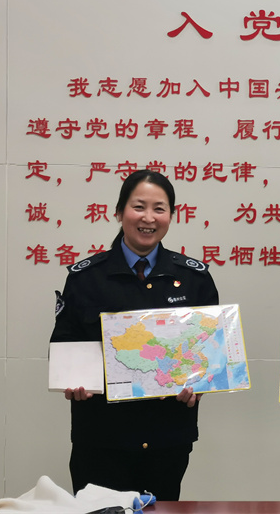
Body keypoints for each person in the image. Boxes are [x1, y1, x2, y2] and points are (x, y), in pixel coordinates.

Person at [50, 169, 218, 500]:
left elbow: (211, 354)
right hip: (101, 439)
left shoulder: (194, 279)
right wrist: (71, 380)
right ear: (119, 212)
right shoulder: (86, 278)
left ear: (171, 215)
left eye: (159, 208)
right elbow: (64, 343)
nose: (148, 218)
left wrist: (200, 385)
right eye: (138, 206)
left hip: (167, 439)